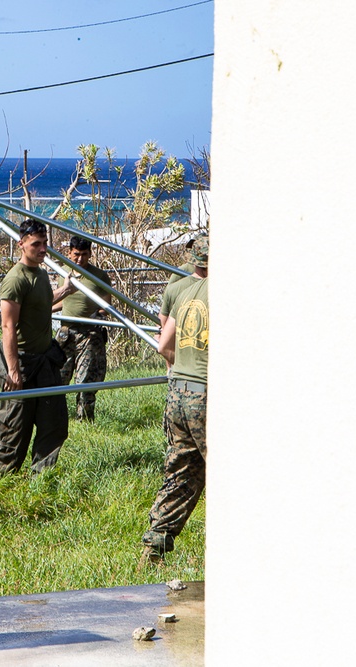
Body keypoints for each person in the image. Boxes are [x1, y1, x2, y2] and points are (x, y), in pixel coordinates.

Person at [141, 236, 209, 565]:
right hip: (208, 394)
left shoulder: (184, 290)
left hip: (179, 390)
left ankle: (154, 546)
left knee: (182, 472)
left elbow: (163, 345)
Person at [0, 219, 73, 474]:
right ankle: (3, 481)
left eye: (45, 243)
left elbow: (43, 303)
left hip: (45, 360)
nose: (42, 249)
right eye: (36, 244)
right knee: (15, 427)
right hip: (22, 362)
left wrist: (66, 290)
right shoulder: (15, 279)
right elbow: (7, 327)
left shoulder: (40, 273)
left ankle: (41, 477)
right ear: (21, 244)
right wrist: (13, 370)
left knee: (54, 423)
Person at [51, 236, 113, 422]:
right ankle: (55, 419)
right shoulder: (61, 272)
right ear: (69, 252)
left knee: (86, 381)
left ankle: (84, 420)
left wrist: (98, 314)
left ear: (90, 254)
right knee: (57, 378)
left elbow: (106, 305)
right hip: (66, 333)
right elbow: (61, 300)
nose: (79, 259)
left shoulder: (99, 276)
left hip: (89, 335)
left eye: (84, 255)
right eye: (76, 254)